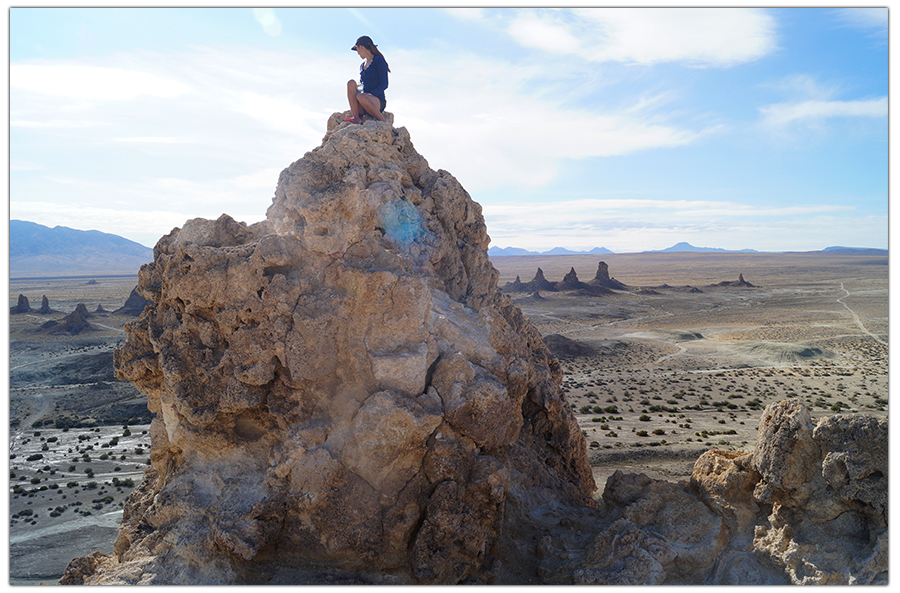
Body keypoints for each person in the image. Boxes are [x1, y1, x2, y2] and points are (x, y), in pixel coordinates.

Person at [345, 35, 390, 124]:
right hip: (362, 100)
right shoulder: (362, 66)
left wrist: (370, 95)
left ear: (361, 47)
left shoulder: (378, 60)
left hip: (376, 101)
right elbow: (361, 84)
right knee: (351, 83)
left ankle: (382, 122)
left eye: (357, 49)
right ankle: (356, 117)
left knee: (361, 97)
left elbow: (384, 84)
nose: (357, 52)